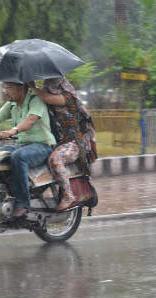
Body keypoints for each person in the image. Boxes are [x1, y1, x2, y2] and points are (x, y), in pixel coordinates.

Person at [0, 82, 57, 217]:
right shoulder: (11, 104)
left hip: (43, 145)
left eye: (9, 88)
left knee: (19, 157)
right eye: (4, 87)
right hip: (22, 145)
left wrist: (13, 130)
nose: (5, 91)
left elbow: (30, 120)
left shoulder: (36, 101)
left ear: (21, 88)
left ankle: (23, 203)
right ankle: (0, 196)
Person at [29, 78, 97, 211]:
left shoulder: (68, 97)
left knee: (56, 159)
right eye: (47, 83)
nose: (48, 85)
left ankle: (68, 196)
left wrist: (33, 87)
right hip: (57, 140)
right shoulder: (45, 94)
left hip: (75, 142)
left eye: (51, 83)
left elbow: (47, 98)